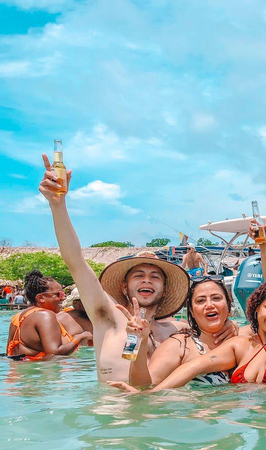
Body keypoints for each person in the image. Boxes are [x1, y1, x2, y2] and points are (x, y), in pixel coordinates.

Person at [109, 220, 266, 391]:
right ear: (255, 308)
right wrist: (151, 395)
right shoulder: (237, 342)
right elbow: (194, 367)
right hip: (244, 425)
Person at [38, 160, 235, 382]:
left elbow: (214, 327)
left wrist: (230, 325)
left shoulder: (179, 331)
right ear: (124, 285)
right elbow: (76, 262)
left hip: (167, 415)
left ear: (165, 287)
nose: (147, 281)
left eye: (154, 277)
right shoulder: (108, 318)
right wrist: (58, 206)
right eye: (138, 276)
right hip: (117, 415)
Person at [121, 275, 236, 387]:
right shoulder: (180, 345)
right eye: (201, 301)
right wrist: (141, 341)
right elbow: (142, 387)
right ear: (191, 311)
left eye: (216, 298)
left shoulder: (243, 337)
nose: (209, 305)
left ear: (228, 304)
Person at [6, 270, 89, 360]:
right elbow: (54, 353)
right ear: (41, 298)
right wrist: (80, 337)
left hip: (19, 370)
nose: (63, 298)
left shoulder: (17, 317)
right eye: (59, 294)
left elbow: (10, 353)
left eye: (63, 294)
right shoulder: (45, 316)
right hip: (40, 371)